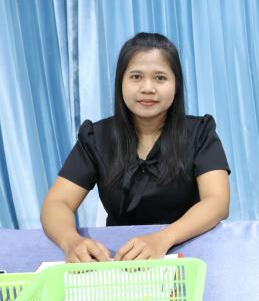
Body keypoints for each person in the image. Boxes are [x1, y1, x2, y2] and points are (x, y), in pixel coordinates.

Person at [41, 33, 230, 262]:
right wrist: (71, 241)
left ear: (176, 85)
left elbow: (217, 201)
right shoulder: (96, 137)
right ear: (121, 82)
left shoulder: (200, 133)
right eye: (136, 77)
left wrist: (163, 238)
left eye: (160, 78)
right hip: (120, 257)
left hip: (189, 249)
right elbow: (56, 203)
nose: (147, 88)